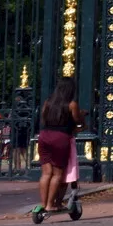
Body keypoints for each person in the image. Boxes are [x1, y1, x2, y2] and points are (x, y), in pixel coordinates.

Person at [33, 77, 84, 217]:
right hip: (60, 138)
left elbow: (43, 118)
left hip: (44, 136)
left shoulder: (48, 102)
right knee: (57, 174)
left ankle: (43, 204)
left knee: (46, 173)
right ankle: (51, 205)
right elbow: (77, 121)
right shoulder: (71, 104)